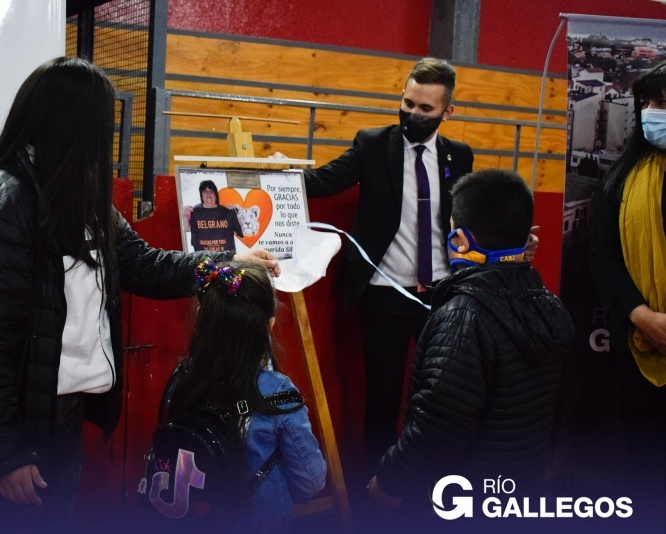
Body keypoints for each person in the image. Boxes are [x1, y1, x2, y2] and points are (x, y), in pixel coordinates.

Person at [0, 57, 278, 533]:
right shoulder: (8, 200)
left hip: (58, 418)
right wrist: (3, 453)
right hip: (12, 434)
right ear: (75, 124)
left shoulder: (79, 194)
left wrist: (224, 266)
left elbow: (142, 262)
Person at [303, 57, 496, 471]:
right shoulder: (373, 144)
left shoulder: (459, 156)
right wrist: (267, 178)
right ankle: (378, 484)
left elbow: (472, 217)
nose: (412, 114)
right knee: (383, 400)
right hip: (385, 293)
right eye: (407, 103)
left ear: (448, 111)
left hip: (444, 297)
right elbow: (322, 181)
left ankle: (431, 482)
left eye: (425, 109)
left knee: (443, 400)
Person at [367, 169, 573, 525]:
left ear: (460, 241)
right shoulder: (547, 303)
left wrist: (389, 480)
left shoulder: (464, 314)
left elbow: (440, 426)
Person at [165, 259, 327, 534]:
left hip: (192, 518)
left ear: (203, 316)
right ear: (269, 326)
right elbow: (311, 480)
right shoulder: (276, 392)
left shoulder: (180, 379)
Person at [590, 60, 666, 516]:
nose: (655, 112)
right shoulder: (620, 176)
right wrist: (643, 317)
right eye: (652, 103)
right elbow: (602, 256)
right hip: (638, 344)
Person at [186, 180, 243, 252]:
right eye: (205, 191)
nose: (208, 194)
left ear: (215, 195)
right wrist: (183, 214)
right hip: (204, 258)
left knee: (225, 263)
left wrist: (235, 213)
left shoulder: (226, 211)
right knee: (205, 263)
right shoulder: (195, 211)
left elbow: (240, 228)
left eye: (211, 191)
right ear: (201, 195)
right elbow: (186, 229)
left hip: (225, 258)